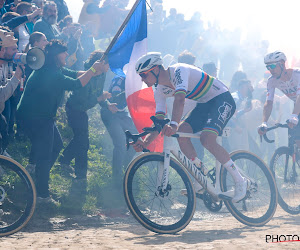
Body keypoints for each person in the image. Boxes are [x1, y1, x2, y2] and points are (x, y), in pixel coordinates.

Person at [132, 52, 248, 203]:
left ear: (156, 69)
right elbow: (159, 121)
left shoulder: (178, 71)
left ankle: (240, 181)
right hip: (204, 104)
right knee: (181, 133)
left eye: (144, 74)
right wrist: (145, 142)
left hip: (221, 98)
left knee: (207, 140)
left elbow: (180, 99)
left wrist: (173, 124)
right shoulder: (159, 90)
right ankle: (200, 174)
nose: (142, 79)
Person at [17, 40, 109, 203]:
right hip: (35, 118)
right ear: (55, 56)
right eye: (64, 52)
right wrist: (93, 69)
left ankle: (39, 178)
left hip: (43, 117)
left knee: (57, 146)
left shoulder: (54, 69)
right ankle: (42, 195)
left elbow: (75, 74)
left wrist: (93, 71)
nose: (67, 54)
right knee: (45, 155)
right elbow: (76, 84)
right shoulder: (50, 74)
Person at [59, 50, 113, 180]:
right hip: (75, 109)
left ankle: (64, 159)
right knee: (83, 142)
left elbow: (98, 93)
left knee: (81, 139)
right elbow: (85, 103)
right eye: (108, 64)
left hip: (82, 111)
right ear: (101, 64)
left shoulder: (101, 74)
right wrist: (100, 99)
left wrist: (107, 104)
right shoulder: (87, 76)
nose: (109, 67)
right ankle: (80, 176)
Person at [100, 74, 137, 189]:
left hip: (122, 113)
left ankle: (127, 170)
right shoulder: (119, 80)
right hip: (110, 112)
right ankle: (116, 178)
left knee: (135, 139)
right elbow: (114, 99)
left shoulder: (136, 81)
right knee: (120, 143)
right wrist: (129, 91)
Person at [258, 51, 300, 145]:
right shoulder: (271, 81)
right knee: (297, 141)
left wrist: (294, 115)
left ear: (282, 64)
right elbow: (268, 103)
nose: (270, 70)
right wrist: (264, 122)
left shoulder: (297, 74)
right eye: (268, 67)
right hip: (297, 105)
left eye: (272, 66)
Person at [0, 28, 23, 155]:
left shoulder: (5, 64)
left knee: (4, 129)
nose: (17, 52)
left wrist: (15, 76)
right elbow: (2, 95)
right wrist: (16, 77)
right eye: (13, 49)